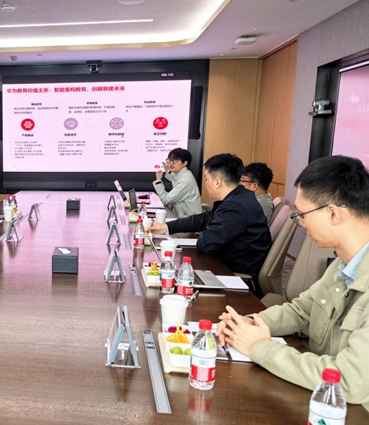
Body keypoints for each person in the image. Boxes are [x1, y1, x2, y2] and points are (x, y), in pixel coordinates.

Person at [216, 155, 369, 409]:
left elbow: (349, 380)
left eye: (302, 214)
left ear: (333, 213)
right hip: (323, 403)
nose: (300, 223)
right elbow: (302, 311)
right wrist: (250, 323)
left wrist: (260, 347)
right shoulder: (344, 264)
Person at [149, 153, 271, 288]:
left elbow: (205, 244)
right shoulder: (238, 196)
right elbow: (204, 218)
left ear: (217, 182)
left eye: (206, 179)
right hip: (226, 263)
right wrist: (167, 227)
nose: (205, 183)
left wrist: (206, 230)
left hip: (233, 274)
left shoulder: (235, 206)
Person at [153, 148, 202, 218]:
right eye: (170, 160)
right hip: (184, 217)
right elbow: (175, 179)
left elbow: (165, 199)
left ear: (185, 163)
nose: (171, 163)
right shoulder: (184, 174)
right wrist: (168, 170)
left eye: (175, 160)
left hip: (190, 220)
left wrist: (158, 180)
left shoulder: (186, 180)